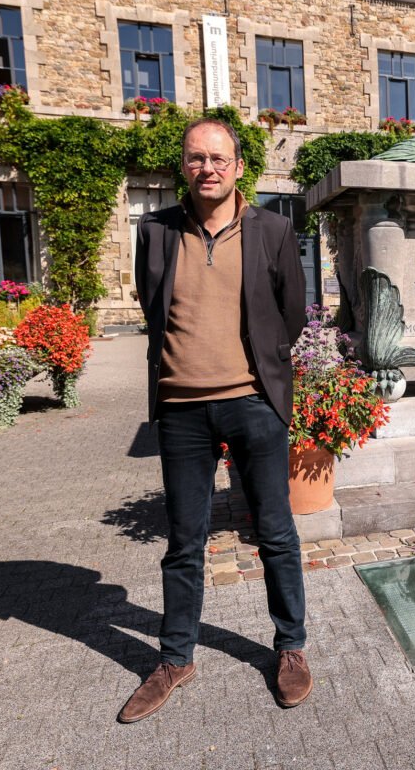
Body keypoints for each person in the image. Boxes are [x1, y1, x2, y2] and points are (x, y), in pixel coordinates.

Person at [120, 118, 309, 724]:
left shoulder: (273, 230)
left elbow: (292, 313)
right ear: (184, 165)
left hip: (254, 404)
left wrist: (263, 376)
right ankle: (176, 658)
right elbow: (153, 307)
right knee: (184, 542)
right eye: (197, 157)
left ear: (238, 167)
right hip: (180, 409)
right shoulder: (156, 231)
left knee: (275, 533)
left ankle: (290, 646)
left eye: (219, 158)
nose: (208, 168)